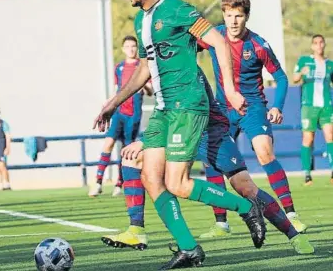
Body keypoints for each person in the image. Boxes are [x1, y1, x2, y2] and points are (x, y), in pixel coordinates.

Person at [94, 0, 265, 270]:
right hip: (163, 108)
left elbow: (218, 42)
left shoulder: (177, 9)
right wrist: (113, 101)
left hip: (187, 104)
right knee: (149, 175)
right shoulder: (141, 20)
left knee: (178, 183)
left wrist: (229, 89)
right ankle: (189, 249)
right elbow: (146, 67)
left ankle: (245, 207)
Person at [101, 68, 314, 255]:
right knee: (134, 160)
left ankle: (293, 234)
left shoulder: (185, 68)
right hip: (179, 130)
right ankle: (138, 230)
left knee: (246, 187)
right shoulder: (155, 62)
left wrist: (147, 141)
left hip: (209, 132)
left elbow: (189, 111)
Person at [197, 0, 307, 239]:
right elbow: (190, 46)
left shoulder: (258, 44)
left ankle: (291, 214)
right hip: (222, 108)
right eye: (228, 16)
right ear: (223, 16)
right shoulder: (215, 36)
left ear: (246, 17)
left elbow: (280, 77)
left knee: (265, 153)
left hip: (252, 107)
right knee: (212, 159)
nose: (233, 21)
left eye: (238, 16)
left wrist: (277, 106)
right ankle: (221, 223)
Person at [89, 35, 152, 197]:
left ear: (136, 48)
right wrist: (108, 103)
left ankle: (119, 183)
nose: (131, 49)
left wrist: (144, 87)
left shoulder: (143, 65)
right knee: (108, 143)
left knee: (126, 149)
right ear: (123, 49)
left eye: (133, 46)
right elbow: (118, 90)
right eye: (128, 46)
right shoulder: (119, 67)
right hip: (119, 112)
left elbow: (151, 90)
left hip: (134, 113)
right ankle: (98, 182)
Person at [293, 34, 333, 185]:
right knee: (308, 139)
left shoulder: (330, 65)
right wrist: (301, 73)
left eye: (321, 42)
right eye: (316, 43)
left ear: (324, 44)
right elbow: (295, 78)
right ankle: (307, 174)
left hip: (326, 106)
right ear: (312, 46)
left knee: (330, 136)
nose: (319, 45)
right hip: (309, 106)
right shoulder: (305, 61)